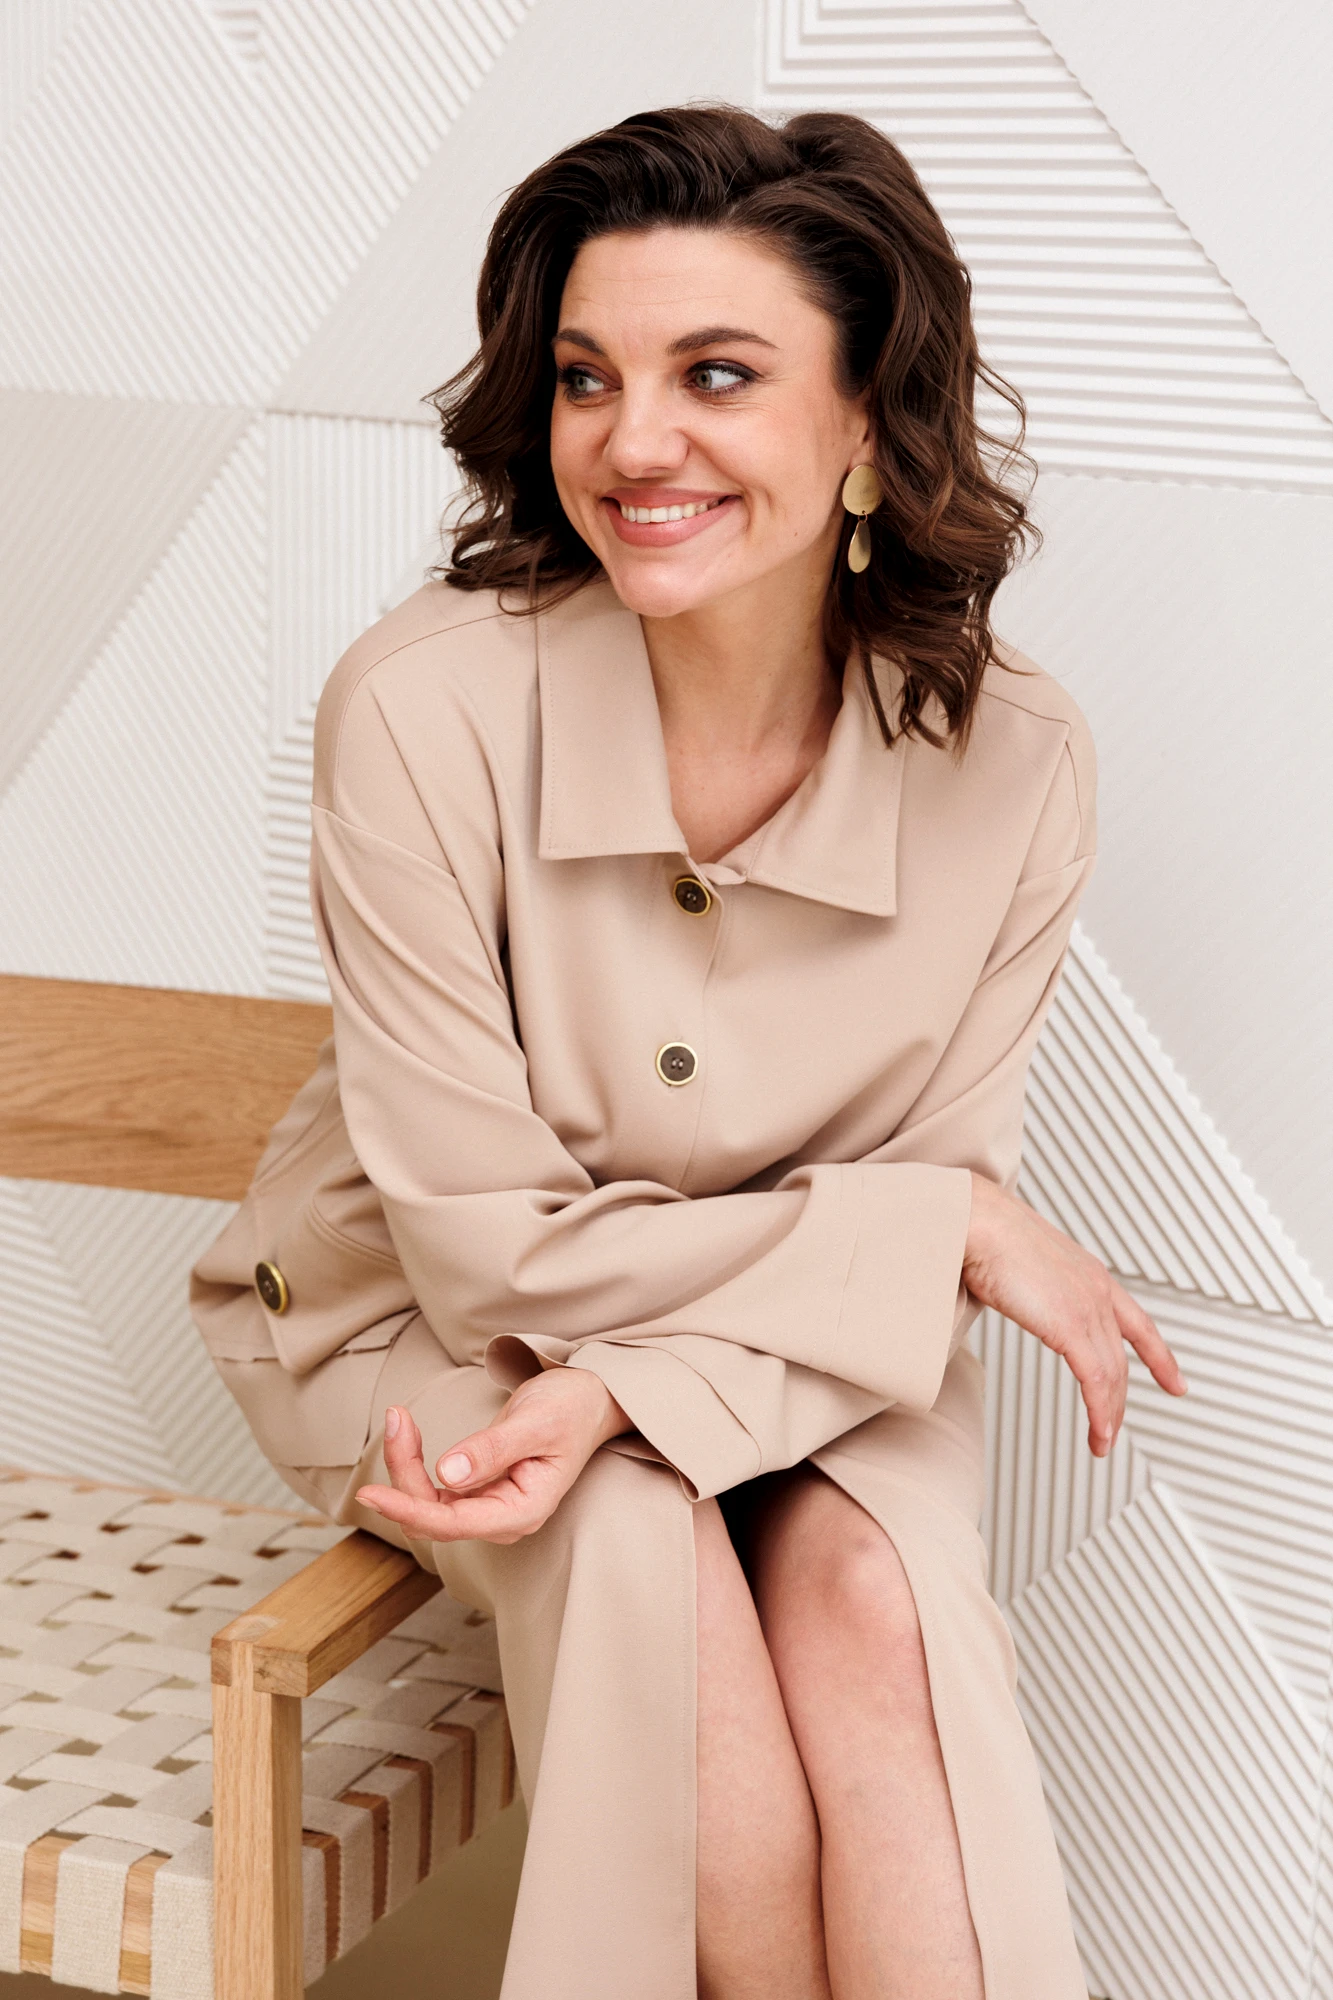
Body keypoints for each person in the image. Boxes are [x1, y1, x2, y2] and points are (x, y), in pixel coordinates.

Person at [193, 105, 1185, 2000]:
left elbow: (915, 1212)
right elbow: (490, 1253)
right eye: (587, 377)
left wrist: (647, 1381)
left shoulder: (1018, 760)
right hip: (419, 1314)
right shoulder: (421, 707)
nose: (633, 441)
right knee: (647, 1575)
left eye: (716, 375)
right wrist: (941, 1237)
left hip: (812, 1352)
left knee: (881, 1614)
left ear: (873, 424)